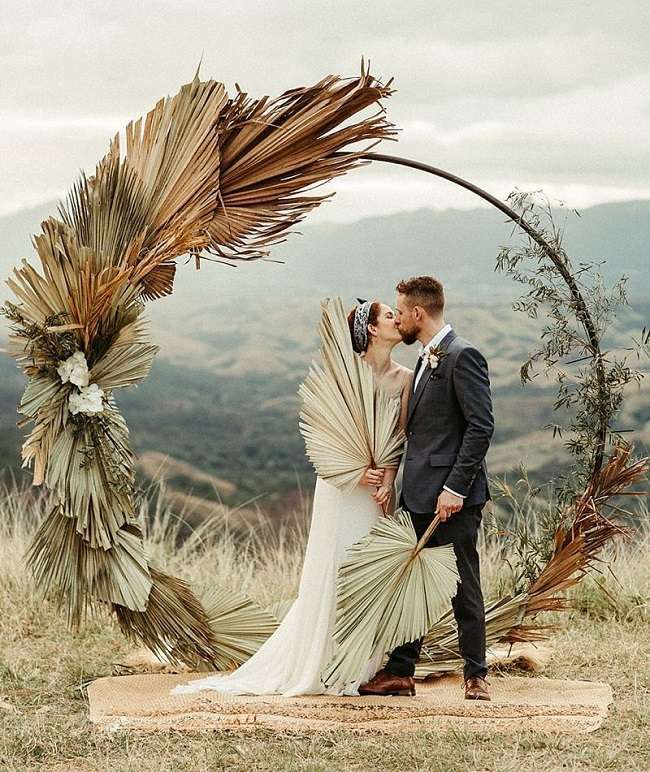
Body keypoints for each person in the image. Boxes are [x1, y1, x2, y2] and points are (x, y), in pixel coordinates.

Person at [171, 300, 412, 698]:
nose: (396, 319)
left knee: (367, 572)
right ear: (371, 330)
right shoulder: (344, 376)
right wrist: (354, 471)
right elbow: (322, 435)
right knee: (335, 565)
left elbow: (399, 437)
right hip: (341, 487)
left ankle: (360, 663)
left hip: (376, 492)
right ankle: (321, 661)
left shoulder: (404, 378)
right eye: (388, 315)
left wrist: (387, 480)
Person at [358, 275, 494, 701]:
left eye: (400, 311)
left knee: (462, 584)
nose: (398, 319)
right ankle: (401, 673)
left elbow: (480, 427)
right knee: (410, 584)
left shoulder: (462, 355)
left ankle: (476, 675)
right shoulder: (424, 359)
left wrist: (455, 488)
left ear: (418, 313)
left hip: (453, 497)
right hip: (417, 493)